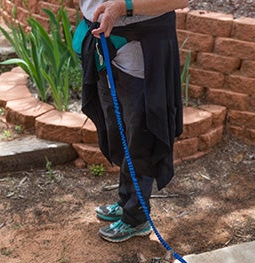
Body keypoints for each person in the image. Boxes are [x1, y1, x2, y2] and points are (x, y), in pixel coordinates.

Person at [74, 0, 188, 242]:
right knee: (117, 129)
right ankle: (126, 199)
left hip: (141, 49)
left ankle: (137, 216)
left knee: (141, 134)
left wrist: (123, 7)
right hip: (103, 43)